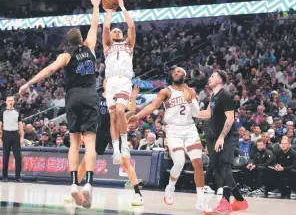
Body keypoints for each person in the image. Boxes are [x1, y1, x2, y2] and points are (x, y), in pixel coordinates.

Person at [19, 0, 101, 209]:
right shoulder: (90, 48)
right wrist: (95, 6)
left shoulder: (65, 55)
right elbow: (95, 26)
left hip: (73, 98)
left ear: (68, 42)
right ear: (81, 40)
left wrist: (28, 83)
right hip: (91, 96)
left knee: (74, 143)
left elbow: (48, 69)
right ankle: (89, 182)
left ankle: (74, 183)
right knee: (90, 143)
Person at [128, 67, 210, 213]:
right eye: (174, 72)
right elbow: (152, 106)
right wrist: (138, 116)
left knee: (198, 162)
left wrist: (193, 102)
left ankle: (201, 201)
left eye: (179, 71)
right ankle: (171, 186)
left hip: (190, 128)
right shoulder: (166, 91)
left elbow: (197, 113)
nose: (176, 73)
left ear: (185, 75)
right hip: (173, 130)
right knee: (178, 162)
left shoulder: (190, 91)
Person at [72, 80, 143, 206]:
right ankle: (75, 190)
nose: (109, 82)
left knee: (125, 162)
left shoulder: (119, 97)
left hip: (114, 131)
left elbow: (131, 111)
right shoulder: (96, 96)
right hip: (98, 132)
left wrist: (133, 97)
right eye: (106, 80)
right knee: (86, 160)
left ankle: (138, 194)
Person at [197, 70, 248, 213]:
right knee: (217, 166)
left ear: (220, 80)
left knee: (225, 165)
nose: (209, 78)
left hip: (228, 136)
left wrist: (221, 138)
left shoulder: (226, 95)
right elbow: (207, 113)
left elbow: (230, 119)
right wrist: (190, 112)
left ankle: (225, 202)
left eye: (212, 76)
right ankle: (240, 200)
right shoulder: (213, 96)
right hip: (218, 136)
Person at [102, 0, 135, 164]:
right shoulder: (107, 46)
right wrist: (109, 12)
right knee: (113, 117)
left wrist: (122, 7)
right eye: (115, 30)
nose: (116, 31)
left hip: (124, 80)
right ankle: (115, 150)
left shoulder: (128, 45)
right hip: (111, 82)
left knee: (121, 111)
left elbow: (131, 26)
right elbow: (106, 29)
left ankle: (124, 146)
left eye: (119, 31)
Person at [0, 95, 24, 183]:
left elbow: (21, 126)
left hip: (15, 134)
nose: (10, 102)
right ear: (6, 101)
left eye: (12, 100)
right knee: (5, 157)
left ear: (14, 101)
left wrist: (22, 137)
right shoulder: (2, 112)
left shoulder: (17, 111)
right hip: (6, 134)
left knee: (18, 157)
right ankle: (4, 176)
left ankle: (18, 177)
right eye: (9, 100)